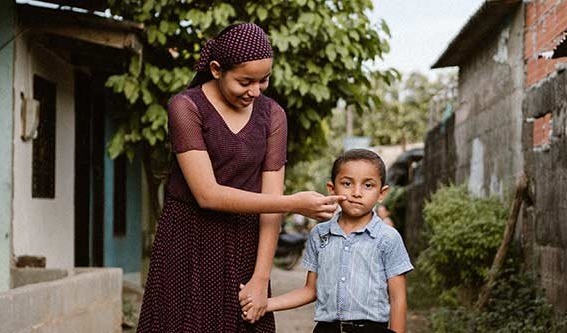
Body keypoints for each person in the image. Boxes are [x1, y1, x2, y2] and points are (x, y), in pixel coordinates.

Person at [136, 22, 345, 333]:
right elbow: (207, 194)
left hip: (245, 247)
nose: (255, 91)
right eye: (245, 81)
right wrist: (294, 203)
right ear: (217, 69)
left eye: (264, 80)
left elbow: (270, 205)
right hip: (187, 241)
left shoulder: (273, 116)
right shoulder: (186, 107)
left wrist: (261, 279)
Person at [242, 149, 413, 333]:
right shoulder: (319, 234)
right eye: (347, 183)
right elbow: (310, 290)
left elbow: (398, 298)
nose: (357, 193)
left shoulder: (388, 238)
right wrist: (266, 304)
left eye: (368, 185)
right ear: (332, 189)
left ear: (382, 193)